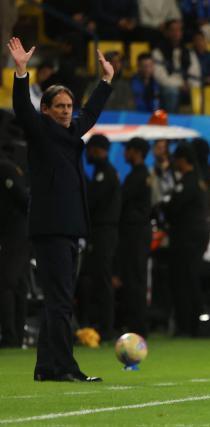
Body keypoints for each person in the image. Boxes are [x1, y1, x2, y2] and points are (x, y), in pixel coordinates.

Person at [8, 36, 113, 381]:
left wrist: (106, 81)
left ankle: (45, 368)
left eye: (69, 106)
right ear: (47, 111)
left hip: (69, 228)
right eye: (61, 107)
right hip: (51, 228)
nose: (67, 111)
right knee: (61, 301)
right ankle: (64, 367)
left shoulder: (71, 134)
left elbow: (92, 112)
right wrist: (22, 73)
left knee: (59, 300)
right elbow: (22, 109)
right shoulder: (40, 132)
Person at [161, 142, 210, 337]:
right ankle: (196, 324)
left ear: (183, 160)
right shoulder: (198, 180)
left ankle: (189, 325)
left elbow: (173, 207)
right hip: (195, 236)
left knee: (183, 280)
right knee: (190, 278)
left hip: (187, 237)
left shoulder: (187, 182)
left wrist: (164, 206)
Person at [81, 134, 122, 341]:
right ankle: (99, 324)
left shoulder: (105, 173)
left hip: (104, 232)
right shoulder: (101, 172)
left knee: (103, 279)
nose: (88, 154)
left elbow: (93, 199)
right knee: (95, 278)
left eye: (90, 150)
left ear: (99, 150)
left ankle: (107, 328)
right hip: (101, 232)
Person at [117, 137, 152, 337]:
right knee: (136, 279)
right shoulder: (141, 174)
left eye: (127, 149)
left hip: (135, 234)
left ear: (136, 152)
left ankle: (138, 327)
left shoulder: (137, 175)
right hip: (138, 233)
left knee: (135, 280)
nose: (125, 154)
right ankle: (137, 325)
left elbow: (122, 199)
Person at [0, 144, 29, 348]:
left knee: (7, 283)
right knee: (18, 285)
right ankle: (16, 336)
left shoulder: (5, 168)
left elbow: (24, 199)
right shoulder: (10, 167)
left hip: (15, 234)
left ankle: (10, 336)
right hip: (19, 233)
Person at [152, 19, 201, 113]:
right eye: (172, 30)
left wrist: (189, 84)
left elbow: (195, 73)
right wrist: (180, 84)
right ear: (166, 32)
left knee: (199, 91)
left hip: (187, 86)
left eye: (178, 30)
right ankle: (171, 122)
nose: (176, 33)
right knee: (171, 92)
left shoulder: (189, 52)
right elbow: (161, 78)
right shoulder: (158, 52)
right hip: (169, 87)